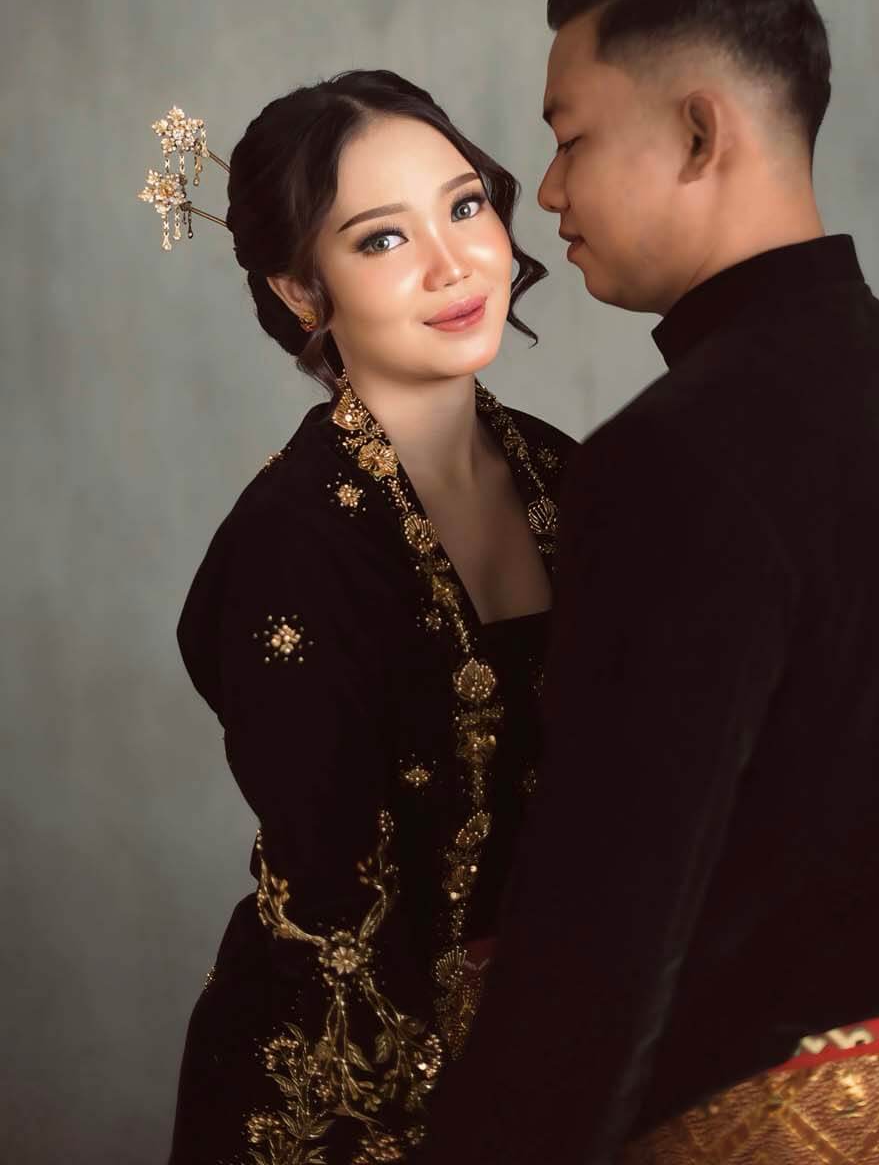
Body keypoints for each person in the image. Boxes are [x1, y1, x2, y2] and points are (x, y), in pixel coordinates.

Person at [419, 0, 879, 1165]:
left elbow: (606, 927)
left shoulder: (677, 454)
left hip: (778, 1122)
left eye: (569, 137)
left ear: (697, 133)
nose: (543, 193)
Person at [154, 72, 575, 1164]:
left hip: (571, 1046)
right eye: (382, 239)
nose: (453, 263)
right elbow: (336, 905)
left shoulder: (569, 477)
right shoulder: (291, 544)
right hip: (351, 1078)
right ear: (301, 290)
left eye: (465, 205)